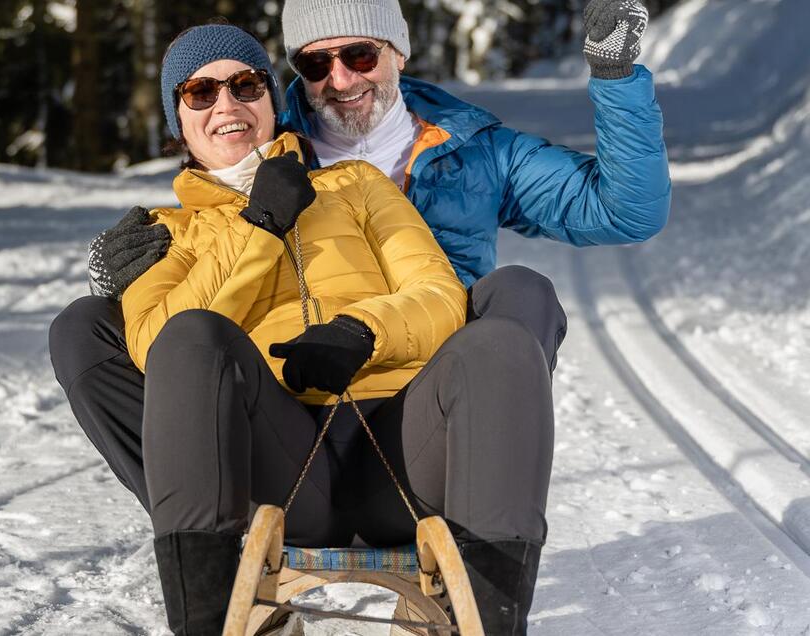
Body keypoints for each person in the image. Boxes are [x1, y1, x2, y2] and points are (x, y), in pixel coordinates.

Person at [52, 0, 670, 631]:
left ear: (396, 54)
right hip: (282, 451)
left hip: (409, 429)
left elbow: (446, 289)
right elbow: (165, 348)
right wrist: (257, 224)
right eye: (199, 93)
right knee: (174, 334)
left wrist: (363, 331)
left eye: (244, 85)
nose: (341, 79)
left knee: (510, 322)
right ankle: (220, 590)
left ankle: (475, 604)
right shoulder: (171, 228)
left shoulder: (366, 180)